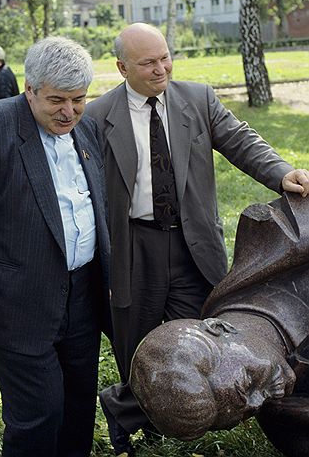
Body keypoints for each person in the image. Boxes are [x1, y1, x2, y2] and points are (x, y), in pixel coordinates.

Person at [84, 22, 309, 456]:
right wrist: (103, 263)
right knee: (137, 341)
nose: (160, 68)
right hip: (134, 245)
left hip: (192, 243)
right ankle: (136, 415)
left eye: (165, 57)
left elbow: (242, 142)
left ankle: (124, 405)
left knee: (211, 343)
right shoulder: (98, 116)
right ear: (121, 67)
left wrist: (282, 172)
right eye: (148, 62)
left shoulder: (198, 98)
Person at [0, 36, 112, 457]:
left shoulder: (87, 129)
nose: (68, 112)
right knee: (37, 414)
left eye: (78, 100)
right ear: (29, 89)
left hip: (82, 297)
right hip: (15, 301)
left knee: (77, 408)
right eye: (57, 100)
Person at [130, 192, 309, 457]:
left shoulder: (281, 232)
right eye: (246, 414)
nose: (262, 401)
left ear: (219, 329)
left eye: (246, 385)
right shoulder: (279, 412)